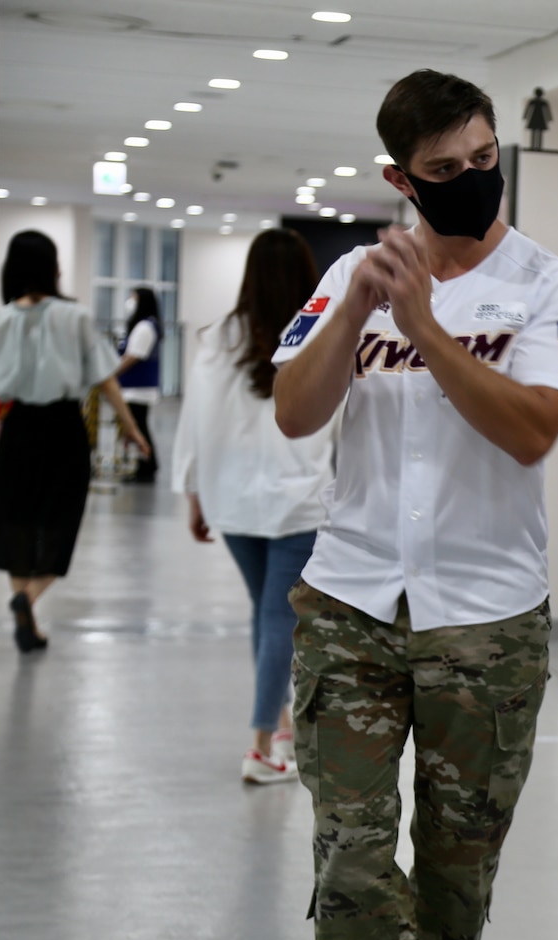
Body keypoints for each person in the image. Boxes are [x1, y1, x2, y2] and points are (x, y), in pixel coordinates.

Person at [272, 69, 558, 940]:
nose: (472, 180)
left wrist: (425, 330)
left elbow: (532, 430)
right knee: (355, 852)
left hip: (485, 620)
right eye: (445, 170)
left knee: (461, 865)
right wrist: (358, 314)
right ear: (400, 177)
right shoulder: (349, 280)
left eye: (486, 160)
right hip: (352, 604)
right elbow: (293, 410)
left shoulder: (552, 286)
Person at [172, 228, 336, 785]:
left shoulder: (220, 338)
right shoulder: (319, 334)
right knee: (277, 621)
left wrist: (194, 492)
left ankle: (279, 726)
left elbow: (196, 422)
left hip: (232, 501)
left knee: (266, 617)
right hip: (299, 501)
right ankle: (261, 746)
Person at [0, 230, 151, 652]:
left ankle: (21, 601)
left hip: (17, 427)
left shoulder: (4, 318)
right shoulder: (76, 316)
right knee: (62, 520)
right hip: (63, 428)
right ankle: (26, 601)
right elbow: (106, 380)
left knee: (18, 521)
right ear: (51, 267)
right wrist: (132, 429)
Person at [116, 285, 162, 482]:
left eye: (133, 298)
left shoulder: (146, 327)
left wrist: (110, 373)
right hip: (135, 387)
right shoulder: (145, 325)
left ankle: (148, 464)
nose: (130, 302)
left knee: (138, 427)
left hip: (138, 388)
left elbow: (133, 356)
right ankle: (145, 463)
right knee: (138, 426)